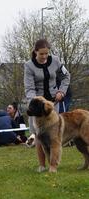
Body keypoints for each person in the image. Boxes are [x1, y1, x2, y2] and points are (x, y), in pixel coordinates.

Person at [24, 39, 70, 172]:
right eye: (41, 54)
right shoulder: (29, 66)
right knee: (38, 136)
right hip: (37, 106)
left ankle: (53, 165)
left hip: (52, 105)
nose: (44, 56)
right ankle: (42, 165)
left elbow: (66, 76)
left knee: (53, 137)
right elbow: (29, 88)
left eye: (46, 53)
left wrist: (61, 91)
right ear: (35, 52)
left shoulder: (55, 61)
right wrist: (37, 102)